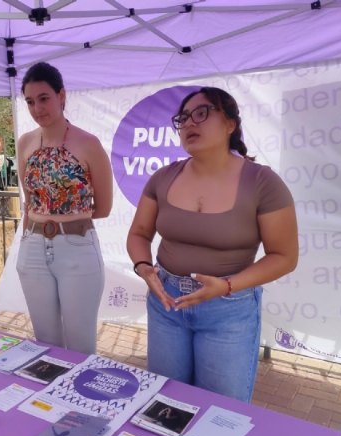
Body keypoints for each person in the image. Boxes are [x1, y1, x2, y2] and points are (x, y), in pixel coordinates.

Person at [127, 86, 298, 402]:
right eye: (183, 118)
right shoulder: (163, 177)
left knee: (221, 411)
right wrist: (143, 268)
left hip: (228, 310)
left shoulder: (262, 182)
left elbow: (284, 256)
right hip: (167, 303)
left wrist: (228, 285)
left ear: (231, 124)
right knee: (163, 404)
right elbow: (138, 233)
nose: (190, 123)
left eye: (202, 113)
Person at [16, 62, 113, 355]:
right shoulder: (25, 143)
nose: (37, 108)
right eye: (30, 101)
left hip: (76, 246)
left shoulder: (88, 144)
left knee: (80, 346)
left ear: (61, 96)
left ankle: (78, 401)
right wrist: (27, 239)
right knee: (44, 345)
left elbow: (104, 207)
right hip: (33, 246)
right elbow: (29, 200)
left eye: (43, 98)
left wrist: (67, 218)